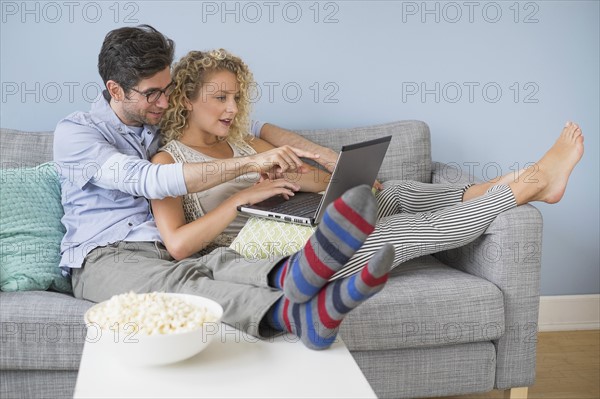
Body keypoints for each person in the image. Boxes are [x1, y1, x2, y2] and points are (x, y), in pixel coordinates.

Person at [53, 24, 397, 350]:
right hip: (104, 258)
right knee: (187, 286)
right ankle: (299, 315)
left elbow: (254, 127)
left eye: (168, 89)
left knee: (220, 261)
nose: (164, 102)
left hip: (161, 250)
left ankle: (299, 271)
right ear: (116, 90)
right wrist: (248, 165)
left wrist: (325, 156)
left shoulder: (153, 119)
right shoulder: (77, 135)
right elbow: (149, 180)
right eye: (152, 93)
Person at [151, 48, 585, 282]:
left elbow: (317, 182)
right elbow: (178, 245)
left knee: (392, 192)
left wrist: (309, 177)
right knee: (393, 234)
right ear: (188, 99)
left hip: (300, 224)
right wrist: (246, 195)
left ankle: (515, 182)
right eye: (219, 97)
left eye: (236, 98)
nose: (231, 108)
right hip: (265, 256)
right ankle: (522, 187)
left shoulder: (246, 142)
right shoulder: (168, 160)